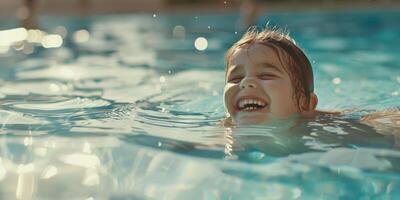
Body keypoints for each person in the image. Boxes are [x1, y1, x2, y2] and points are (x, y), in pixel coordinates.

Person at [222, 27, 399, 130]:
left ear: (305, 103)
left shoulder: (332, 131)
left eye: (265, 75)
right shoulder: (226, 129)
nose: (246, 83)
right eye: (236, 78)